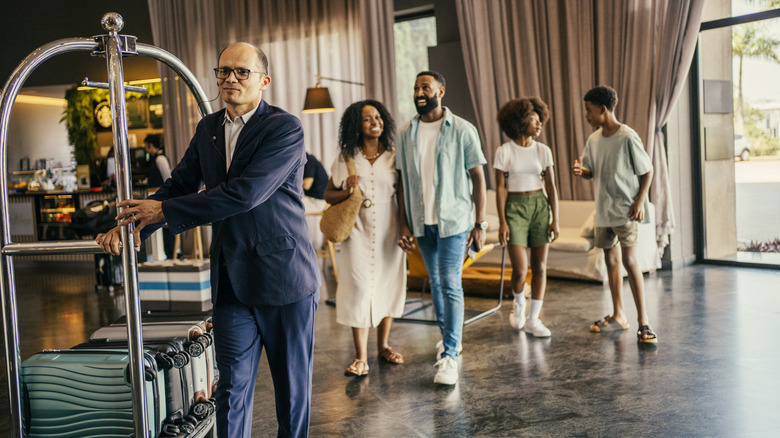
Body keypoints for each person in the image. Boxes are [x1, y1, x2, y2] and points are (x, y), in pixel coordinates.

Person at [96, 42, 321, 437]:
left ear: (264, 81)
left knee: (291, 394)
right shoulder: (208, 128)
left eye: (242, 72)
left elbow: (245, 194)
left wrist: (164, 213)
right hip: (232, 281)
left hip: (285, 279)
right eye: (223, 71)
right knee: (231, 390)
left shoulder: (285, 128)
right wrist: (133, 228)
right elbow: (179, 185)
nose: (230, 78)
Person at [396, 71, 487, 385]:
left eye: (426, 87)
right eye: (416, 87)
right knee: (435, 284)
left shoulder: (462, 129)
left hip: (455, 222)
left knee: (450, 282)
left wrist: (480, 223)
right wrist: (404, 224)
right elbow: (401, 185)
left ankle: (450, 354)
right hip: (423, 224)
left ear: (441, 91)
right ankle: (450, 338)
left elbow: (478, 178)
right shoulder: (406, 132)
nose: (419, 92)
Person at [324, 99, 407, 377]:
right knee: (358, 288)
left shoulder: (395, 156)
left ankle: (383, 346)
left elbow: (403, 196)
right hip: (356, 231)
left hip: (389, 229)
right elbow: (328, 194)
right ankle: (360, 357)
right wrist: (347, 190)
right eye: (367, 119)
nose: (375, 123)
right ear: (356, 126)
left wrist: (405, 229)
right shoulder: (347, 157)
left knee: (387, 284)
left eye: (378, 117)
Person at [571, 85, 657, 344]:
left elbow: (647, 171)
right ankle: (619, 315)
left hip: (626, 211)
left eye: (589, 111)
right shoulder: (594, 140)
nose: (586, 116)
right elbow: (592, 170)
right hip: (603, 211)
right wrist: (581, 171)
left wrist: (640, 202)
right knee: (611, 262)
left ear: (603, 109)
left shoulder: (628, 136)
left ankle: (643, 321)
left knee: (630, 262)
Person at [494, 97, 560, 338]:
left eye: (540, 118)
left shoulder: (543, 150)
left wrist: (555, 218)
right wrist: (502, 221)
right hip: (514, 208)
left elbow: (552, 186)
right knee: (521, 270)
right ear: (521, 121)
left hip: (540, 207)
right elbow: (501, 188)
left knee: (540, 266)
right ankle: (519, 302)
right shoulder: (504, 151)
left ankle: (534, 319)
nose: (540, 123)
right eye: (534, 118)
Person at [142, 133, 174, 258]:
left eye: (146, 146)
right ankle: (168, 253)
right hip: (160, 197)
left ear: (150, 145)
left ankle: (170, 253)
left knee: (165, 227)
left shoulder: (160, 159)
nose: (145, 149)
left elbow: (168, 178)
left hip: (164, 199)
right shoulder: (156, 159)